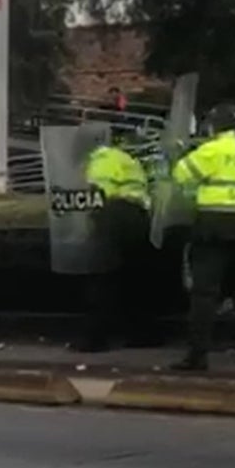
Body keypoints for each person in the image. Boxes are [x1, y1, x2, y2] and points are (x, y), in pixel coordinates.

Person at [171, 103, 235, 371]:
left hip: (214, 228)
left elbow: (181, 175)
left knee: (205, 294)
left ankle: (197, 355)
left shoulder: (215, 149)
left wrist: (184, 154)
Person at [81, 135, 156, 350]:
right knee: (135, 280)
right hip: (138, 217)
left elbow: (99, 194)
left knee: (102, 278)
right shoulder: (129, 160)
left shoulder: (102, 158)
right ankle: (142, 335)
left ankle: (95, 339)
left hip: (113, 216)